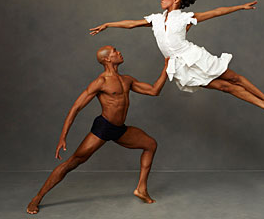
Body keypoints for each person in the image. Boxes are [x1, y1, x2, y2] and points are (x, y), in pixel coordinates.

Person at [90, 0, 264, 114]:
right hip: (180, 66)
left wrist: (240, 7)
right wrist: (109, 24)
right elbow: (131, 24)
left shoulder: (185, 18)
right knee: (225, 87)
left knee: (234, 78)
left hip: (194, 56)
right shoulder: (156, 19)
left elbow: (216, 12)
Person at [27, 46, 169, 214]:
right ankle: (37, 198)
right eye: (114, 51)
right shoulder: (100, 82)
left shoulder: (127, 80)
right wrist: (63, 137)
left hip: (119, 129)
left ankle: (141, 189)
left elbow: (154, 91)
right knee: (73, 162)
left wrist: (167, 68)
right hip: (103, 128)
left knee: (150, 144)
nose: (119, 52)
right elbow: (76, 108)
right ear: (107, 59)